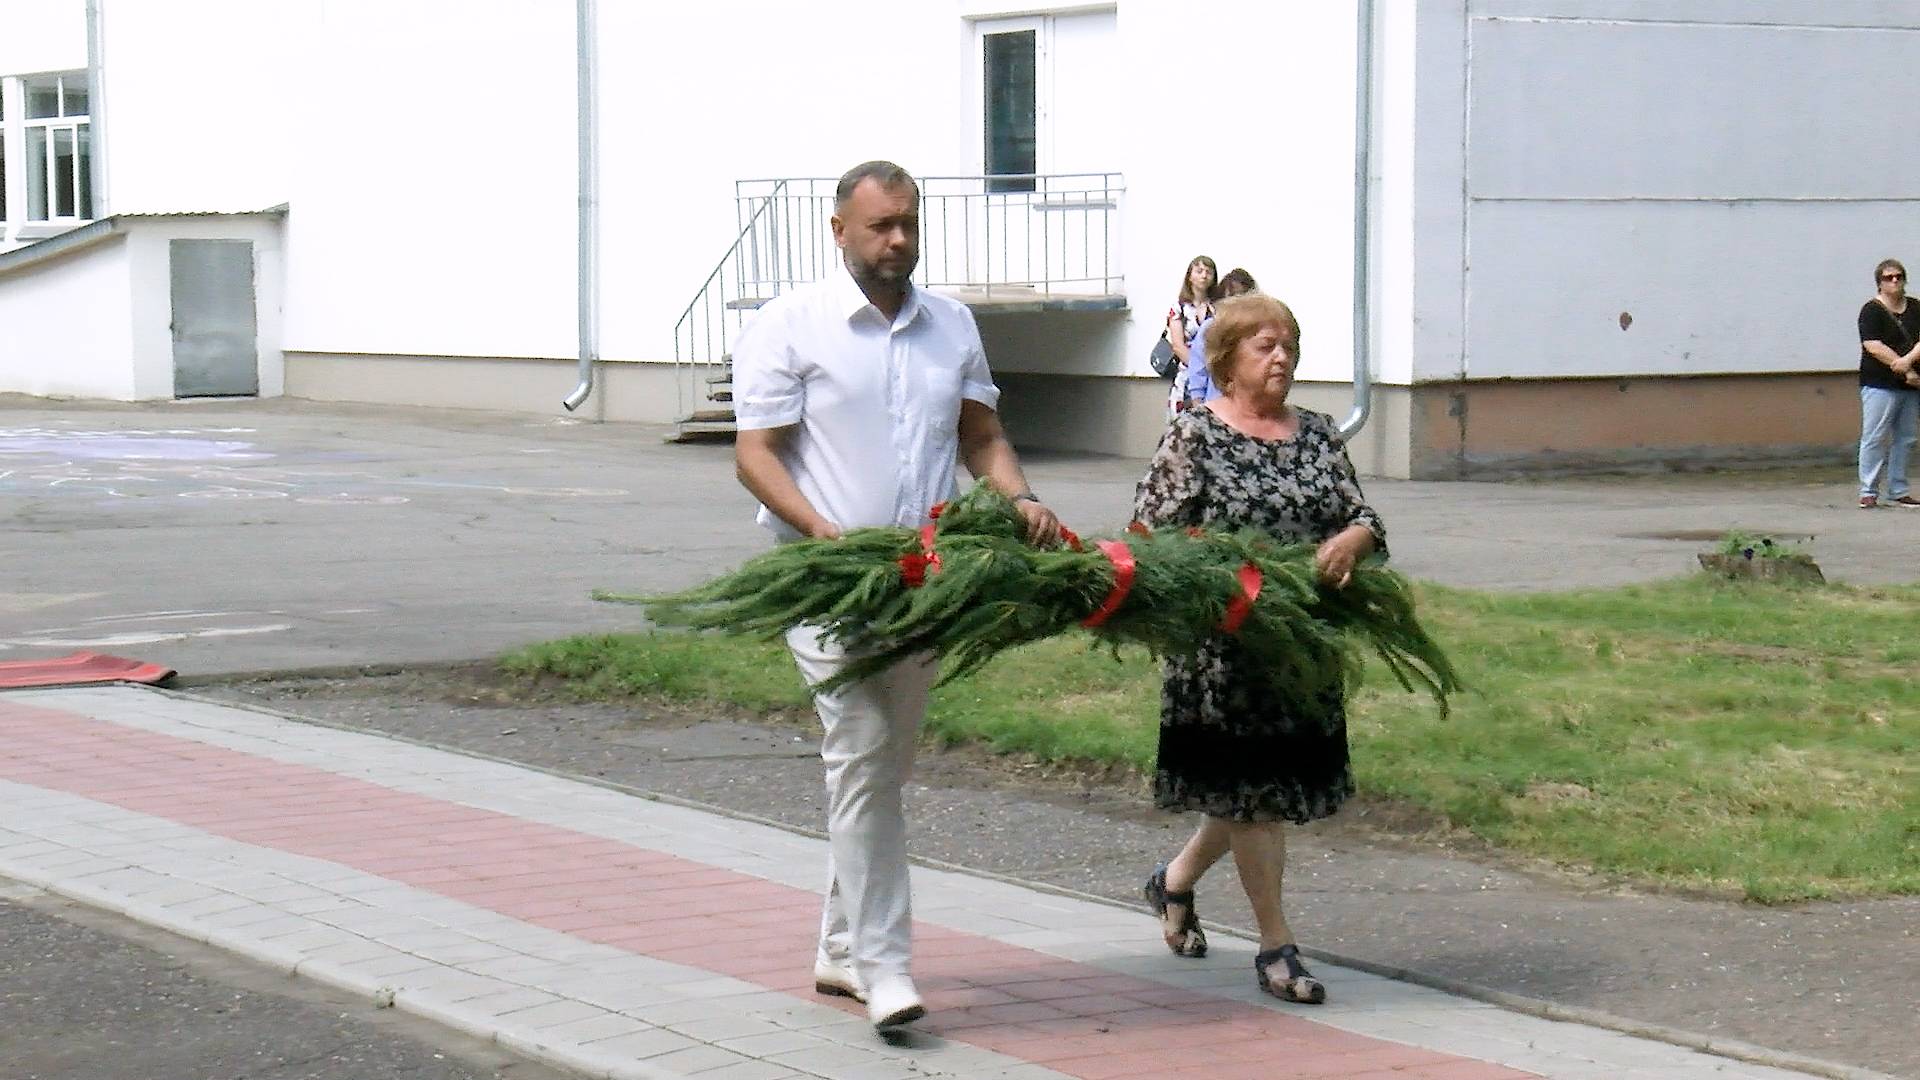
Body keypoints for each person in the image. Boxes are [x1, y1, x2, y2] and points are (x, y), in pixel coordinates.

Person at [730, 160, 1062, 1032]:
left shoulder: (950, 325)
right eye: (881, 225)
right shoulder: (790, 323)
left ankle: (841, 948)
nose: (899, 240)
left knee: (885, 766)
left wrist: (1021, 498)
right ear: (838, 229)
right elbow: (756, 452)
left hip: (923, 581)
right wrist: (821, 532)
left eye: (909, 224)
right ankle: (886, 969)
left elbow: (981, 435)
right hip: (825, 580)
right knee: (863, 748)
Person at [1132, 293, 1385, 1006]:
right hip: (1224, 652)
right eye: (1264, 346)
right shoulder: (1195, 434)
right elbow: (1149, 534)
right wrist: (1214, 577)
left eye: (1289, 346)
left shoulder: (1318, 434)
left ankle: (1173, 883)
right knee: (1254, 800)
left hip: (1297, 646)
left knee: (1251, 794)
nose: (1281, 358)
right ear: (1225, 359)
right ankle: (1276, 947)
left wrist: (1354, 538)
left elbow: (1361, 514)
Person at [1856, 258, 1920, 509]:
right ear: (1879, 283)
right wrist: (1903, 368)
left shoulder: (1915, 307)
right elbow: (1873, 345)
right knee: (1875, 436)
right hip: (1879, 384)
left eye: (1898, 276)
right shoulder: (1871, 310)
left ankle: (1898, 489)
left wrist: (1908, 362)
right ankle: (1868, 490)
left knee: (1906, 438)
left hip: (1911, 385)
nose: (1894, 281)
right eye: (1888, 277)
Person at [1183, 268, 1258, 406]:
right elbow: (1198, 370)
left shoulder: (1259, 329)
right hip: (1216, 406)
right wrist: (1199, 407)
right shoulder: (1210, 328)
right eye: (1231, 299)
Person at [1166, 257, 1222, 416]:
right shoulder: (1179, 308)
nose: (1204, 276)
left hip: (1212, 376)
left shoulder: (1218, 307)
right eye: (1199, 271)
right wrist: (1198, 368)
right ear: (1190, 276)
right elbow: (1178, 346)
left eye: (1208, 272)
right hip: (1186, 374)